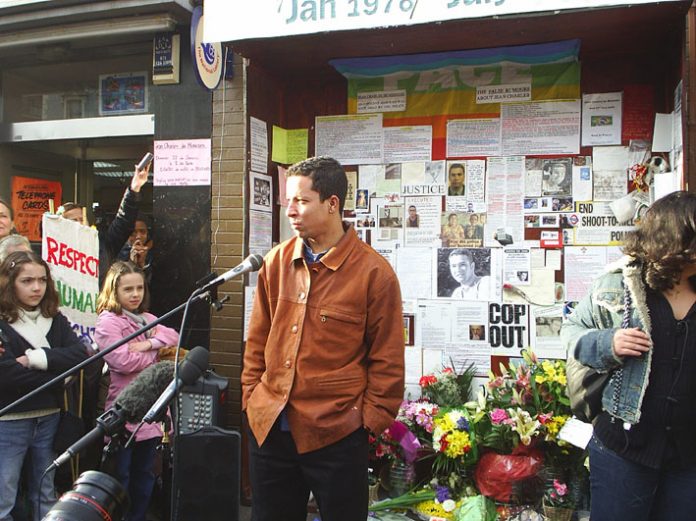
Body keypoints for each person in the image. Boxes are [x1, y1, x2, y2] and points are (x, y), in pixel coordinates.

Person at [243, 156, 405, 521]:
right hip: (270, 427)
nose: (290, 211)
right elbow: (257, 342)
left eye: (301, 201)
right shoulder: (275, 262)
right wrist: (252, 397)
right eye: (288, 201)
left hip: (338, 434)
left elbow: (388, 360)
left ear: (332, 204)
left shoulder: (374, 274)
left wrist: (368, 422)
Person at [561, 191, 696, 521]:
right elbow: (571, 332)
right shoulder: (620, 284)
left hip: (689, 458)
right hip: (624, 449)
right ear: (677, 239)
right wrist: (608, 344)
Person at [0, 251, 89, 521]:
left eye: (42, 280)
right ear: (9, 283)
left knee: (45, 489)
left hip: (49, 418)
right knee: (4, 493)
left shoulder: (55, 318)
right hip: (10, 419)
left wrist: (33, 359)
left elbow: (80, 355)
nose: (37, 287)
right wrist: (60, 376)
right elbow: (7, 375)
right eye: (27, 281)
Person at [94, 261, 179, 521]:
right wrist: (156, 355)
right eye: (128, 289)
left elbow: (174, 336)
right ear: (114, 291)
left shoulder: (148, 318)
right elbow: (121, 361)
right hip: (124, 413)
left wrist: (147, 345)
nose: (135, 294)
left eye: (139, 288)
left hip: (152, 416)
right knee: (121, 476)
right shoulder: (108, 322)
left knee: (145, 475)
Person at [60, 162, 150, 283]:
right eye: (73, 221)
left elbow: (123, 222)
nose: (79, 224)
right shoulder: (54, 252)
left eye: (82, 219)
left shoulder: (103, 245)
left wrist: (134, 189)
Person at [117, 217, 153, 282]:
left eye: (142, 232)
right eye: (133, 233)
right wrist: (131, 263)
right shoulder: (117, 253)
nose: (138, 236)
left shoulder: (155, 254)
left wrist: (142, 264)